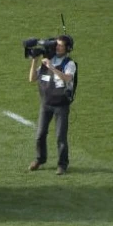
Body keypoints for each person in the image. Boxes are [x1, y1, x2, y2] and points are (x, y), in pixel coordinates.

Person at [28, 35, 77, 175]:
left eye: (61, 45)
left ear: (67, 48)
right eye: (57, 44)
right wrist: (34, 60)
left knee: (60, 137)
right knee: (40, 134)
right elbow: (31, 79)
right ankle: (40, 159)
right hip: (46, 104)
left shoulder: (69, 63)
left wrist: (52, 67)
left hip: (61, 105)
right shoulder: (47, 60)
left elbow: (67, 78)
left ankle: (62, 164)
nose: (57, 47)